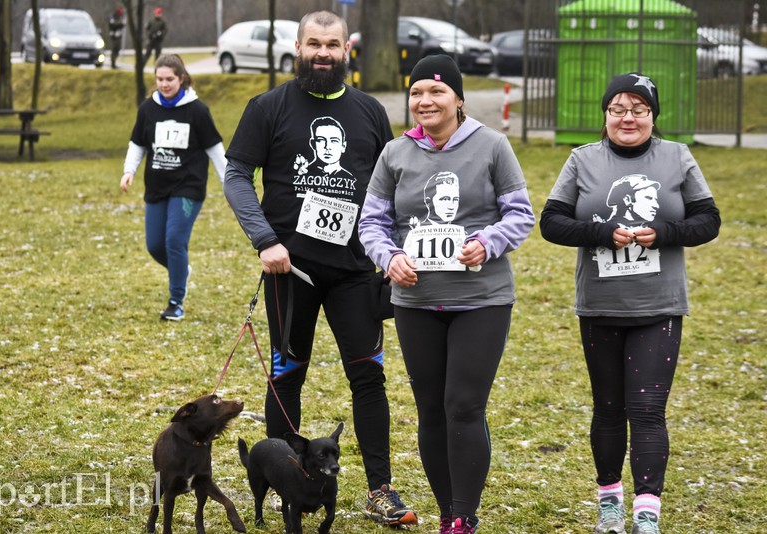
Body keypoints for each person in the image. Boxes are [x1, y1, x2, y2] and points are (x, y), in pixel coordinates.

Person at [223, 10, 418, 528]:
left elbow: (395, 186)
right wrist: (264, 239)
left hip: (357, 271)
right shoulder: (268, 107)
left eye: (333, 44)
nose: (324, 53)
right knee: (287, 376)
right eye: (315, 43)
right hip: (292, 269)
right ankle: (287, 479)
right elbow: (237, 174)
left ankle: (380, 489)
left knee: (368, 379)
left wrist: (392, 250)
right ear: (298, 46)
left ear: (347, 49)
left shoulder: (371, 111)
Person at [359, 54, 535, 534]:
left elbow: (520, 213)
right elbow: (371, 222)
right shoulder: (395, 154)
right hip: (415, 302)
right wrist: (388, 257)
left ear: (458, 99)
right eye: (416, 92)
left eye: (436, 91)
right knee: (431, 408)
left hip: (481, 300)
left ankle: (465, 515)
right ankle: (446, 512)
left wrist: (487, 243)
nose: (425, 101)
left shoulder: (492, 146)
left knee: (463, 405)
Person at [539, 72, 721, 534]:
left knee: (646, 410)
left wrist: (663, 233)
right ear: (605, 115)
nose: (628, 118)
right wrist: (601, 232)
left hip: (658, 305)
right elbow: (552, 222)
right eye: (618, 109)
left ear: (652, 117)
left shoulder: (677, 157)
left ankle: (646, 512)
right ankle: (609, 506)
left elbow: (709, 220)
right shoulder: (582, 160)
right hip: (600, 304)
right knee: (608, 409)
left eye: (639, 110)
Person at [120, 54, 227, 321]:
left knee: (174, 241)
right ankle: (181, 270)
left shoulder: (197, 111)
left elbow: (215, 150)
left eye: (170, 79)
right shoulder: (148, 109)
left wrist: (230, 184)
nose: (164, 84)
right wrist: (128, 171)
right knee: (155, 246)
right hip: (157, 185)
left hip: (188, 186)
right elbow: (138, 144)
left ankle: (175, 301)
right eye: (160, 79)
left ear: (182, 78)